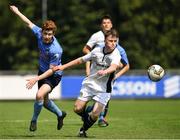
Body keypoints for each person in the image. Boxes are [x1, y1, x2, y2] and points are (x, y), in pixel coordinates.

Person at [26, 29, 122, 137]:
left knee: (95, 114)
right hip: (90, 83)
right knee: (77, 108)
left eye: (115, 41)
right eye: (111, 41)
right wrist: (63, 66)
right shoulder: (97, 50)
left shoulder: (116, 54)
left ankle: (83, 130)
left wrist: (105, 71)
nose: (113, 43)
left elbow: (114, 66)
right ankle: (86, 116)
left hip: (104, 88)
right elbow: (80, 60)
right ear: (105, 41)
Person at [10, 5, 66, 132]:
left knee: (39, 95)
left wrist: (37, 78)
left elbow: (52, 70)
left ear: (53, 34)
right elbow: (28, 22)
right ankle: (60, 114)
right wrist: (17, 12)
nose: (46, 36)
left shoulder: (56, 49)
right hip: (42, 71)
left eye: (49, 34)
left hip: (53, 75)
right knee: (45, 102)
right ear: (42, 32)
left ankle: (34, 120)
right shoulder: (39, 33)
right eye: (45, 33)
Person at [82, 15, 130, 127]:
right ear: (101, 25)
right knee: (96, 98)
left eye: (108, 22)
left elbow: (125, 65)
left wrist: (116, 71)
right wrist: (89, 66)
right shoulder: (96, 36)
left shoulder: (116, 45)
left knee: (104, 96)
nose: (106, 24)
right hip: (96, 72)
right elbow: (86, 50)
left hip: (108, 74)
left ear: (111, 25)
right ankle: (91, 113)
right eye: (104, 23)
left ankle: (101, 118)